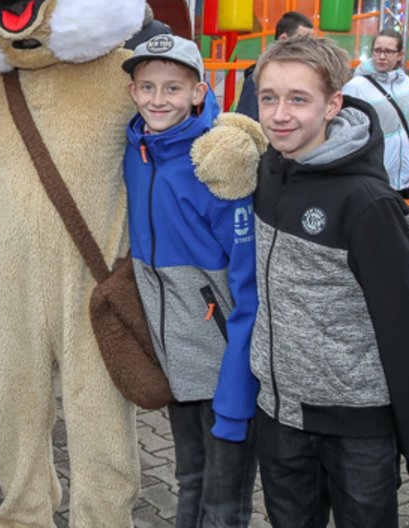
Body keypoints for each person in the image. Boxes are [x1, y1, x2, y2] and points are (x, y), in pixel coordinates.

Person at [251, 35, 409, 528]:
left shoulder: (368, 203)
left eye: (299, 99)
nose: (279, 115)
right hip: (279, 414)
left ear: (333, 104)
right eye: (269, 98)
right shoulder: (267, 174)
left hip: (355, 427)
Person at [122, 34, 259, 528]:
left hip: (224, 364)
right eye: (147, 87)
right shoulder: (135, 151)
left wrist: (239, 388)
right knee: (190, 479)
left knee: (224, 503)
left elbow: (248, 285)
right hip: (176, 359)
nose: (158, 100)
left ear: (199, 92)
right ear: (132, 92)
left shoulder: (218, 162)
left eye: (173, 88)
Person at [342, 29, 409, 195]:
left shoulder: (408, 84)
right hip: (373, 174)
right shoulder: (356, 87)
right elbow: (347, 132)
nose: (382, 56)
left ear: (400, 55)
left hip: (405, 173)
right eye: (377, 50)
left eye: (388, 51)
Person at [236, 11, 313, 120]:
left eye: (310, 42)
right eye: (303, 41)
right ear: (283, 39)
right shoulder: (259, 78)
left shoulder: (305, 75)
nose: (309, 48)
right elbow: (246, 122)